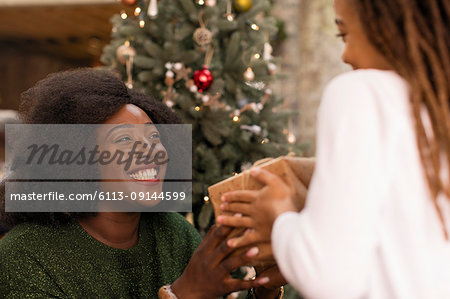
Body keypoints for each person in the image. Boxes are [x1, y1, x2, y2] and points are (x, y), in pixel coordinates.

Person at [217, 0, 450, 298]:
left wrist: (279, 217)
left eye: (344, 35)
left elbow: (327, 277)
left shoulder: (361, 92)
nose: (346, 55)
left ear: (383, 24)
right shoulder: (437, 107)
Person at [0, 69, 280, 298]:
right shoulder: (23, 257)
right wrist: (181, 295)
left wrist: (265, 288)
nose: (152, 151)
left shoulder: (173, 232)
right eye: (124, 139)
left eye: (154, 137)